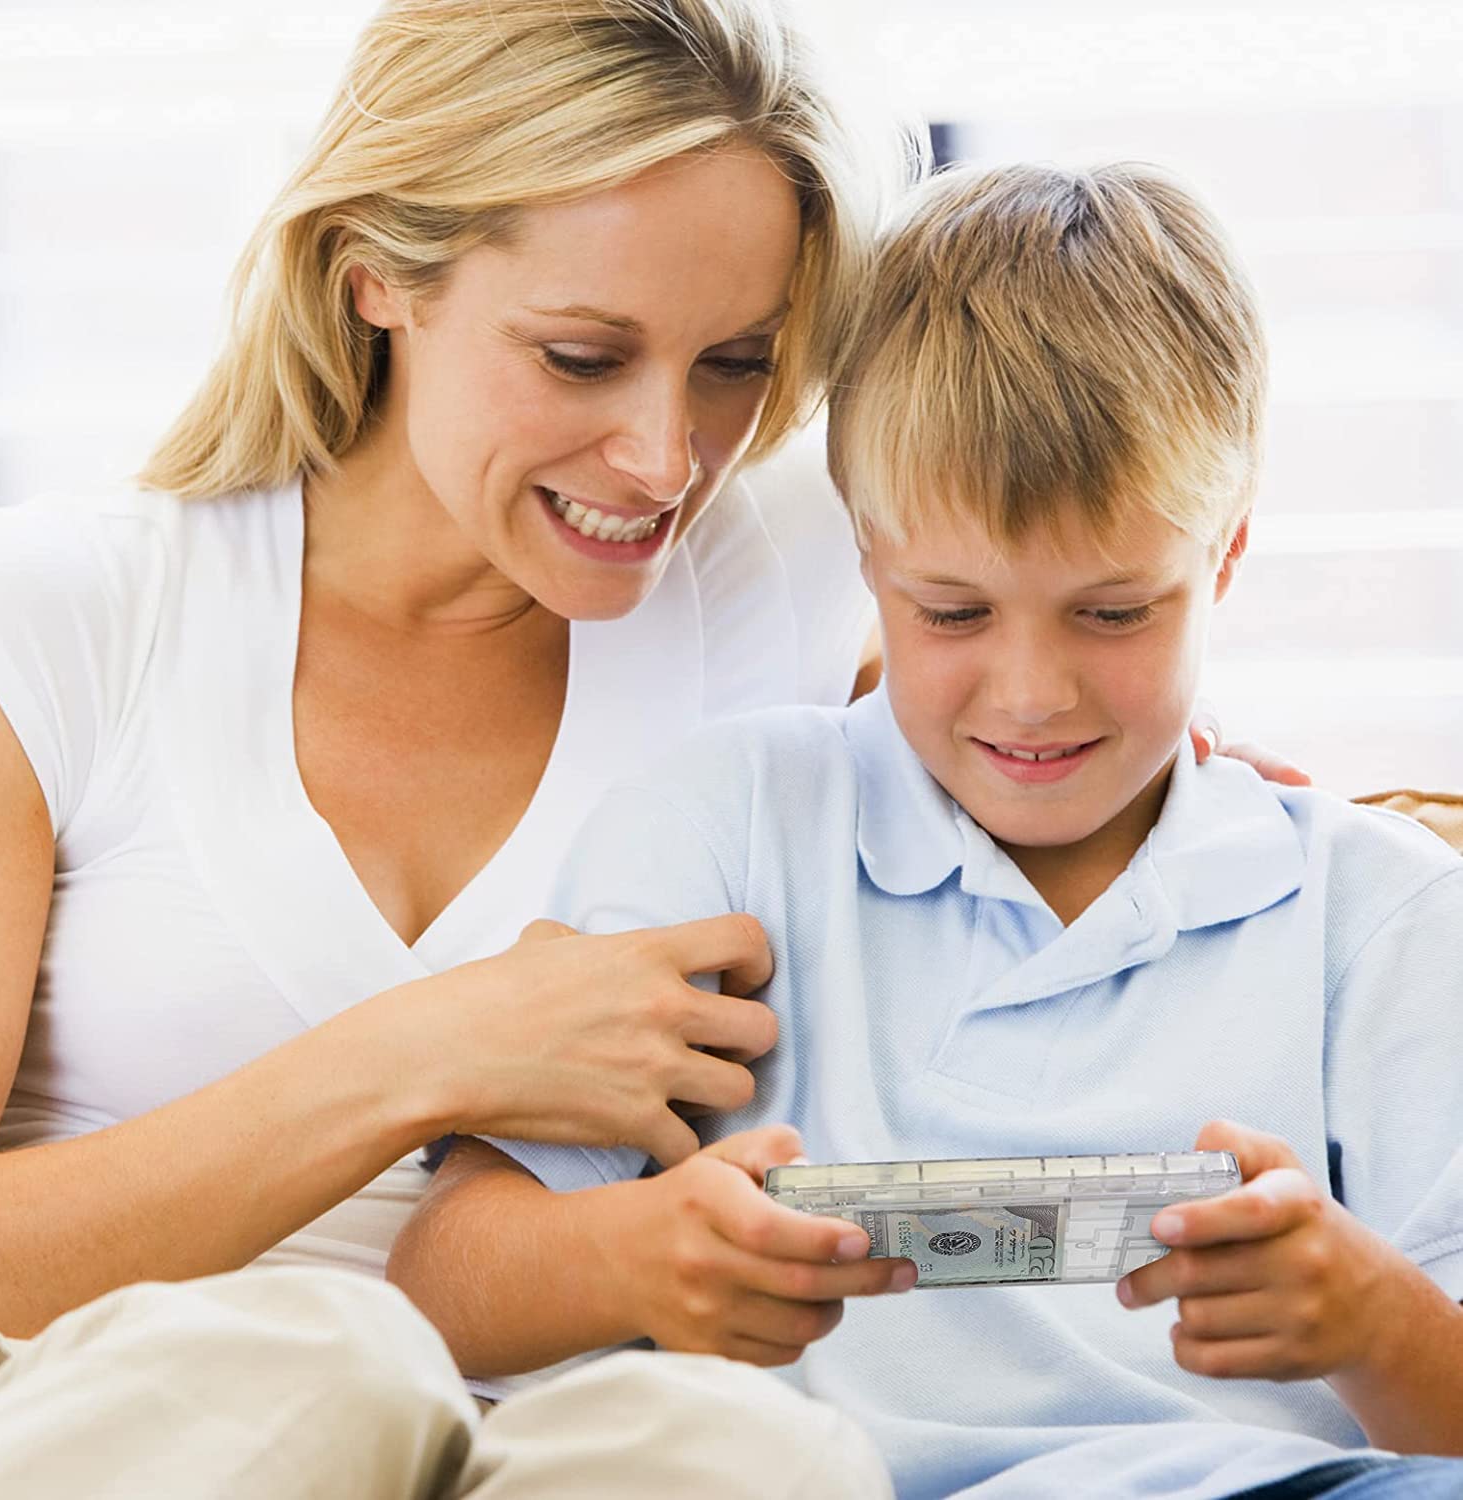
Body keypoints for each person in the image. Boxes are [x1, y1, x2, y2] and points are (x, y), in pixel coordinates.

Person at [389, 163, 1463, 1498]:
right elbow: (445, 1277)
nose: (1032, 694)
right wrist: (639, 1253)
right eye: (952, 613)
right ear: (867, 557)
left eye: (1114, 614)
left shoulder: (1382, 917)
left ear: (1225, 559)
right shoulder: (724, 825)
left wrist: (1375, 1320)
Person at [0, 1, 912, 1493]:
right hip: (108, 1409)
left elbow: (1052, 743)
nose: (667, 460)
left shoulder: (793, 577)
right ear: (372, 279)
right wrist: (429, 1053)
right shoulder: (49, 625)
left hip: (542, 1431)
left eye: (734, 362)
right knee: (335, 1363)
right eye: (584, 357)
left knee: (740, 1453)